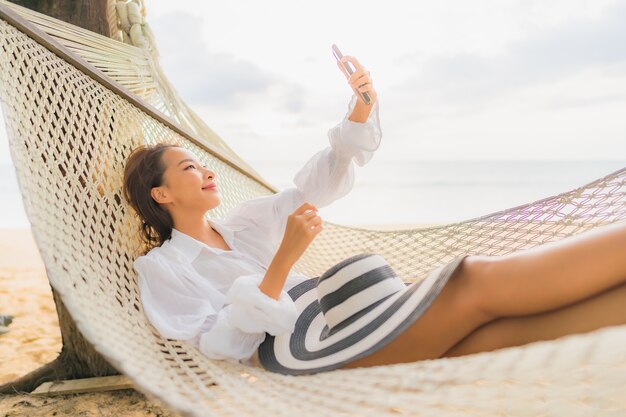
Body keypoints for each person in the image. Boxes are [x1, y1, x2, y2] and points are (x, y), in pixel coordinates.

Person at [123, 54, 626, 372]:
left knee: (481, 337)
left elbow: (315, 184)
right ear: (162, 195)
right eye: (190, 167)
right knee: (469, 281)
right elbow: (218, 344)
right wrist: (283, 263)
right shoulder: (163, 267)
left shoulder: (246, 223)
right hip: (299, 347)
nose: (207, 172)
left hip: (340, 316)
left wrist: (358, 112)